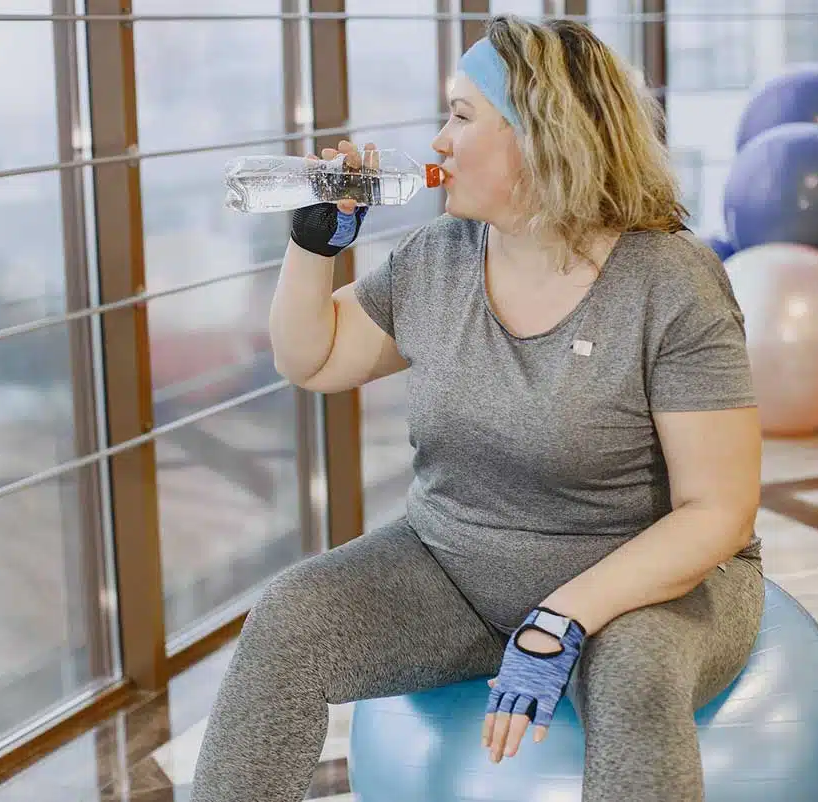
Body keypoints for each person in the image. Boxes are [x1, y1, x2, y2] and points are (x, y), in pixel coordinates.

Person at [192, 14, 764, 802]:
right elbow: (314, 358)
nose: (436, 143)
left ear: (542, 134)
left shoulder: (670, 285)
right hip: (454, 570)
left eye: (461, 116)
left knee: (635, 672)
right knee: (291, 616)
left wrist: (563, 616)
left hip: (647, 588)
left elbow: (719, 511)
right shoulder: (439, 260)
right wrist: (313, 248)